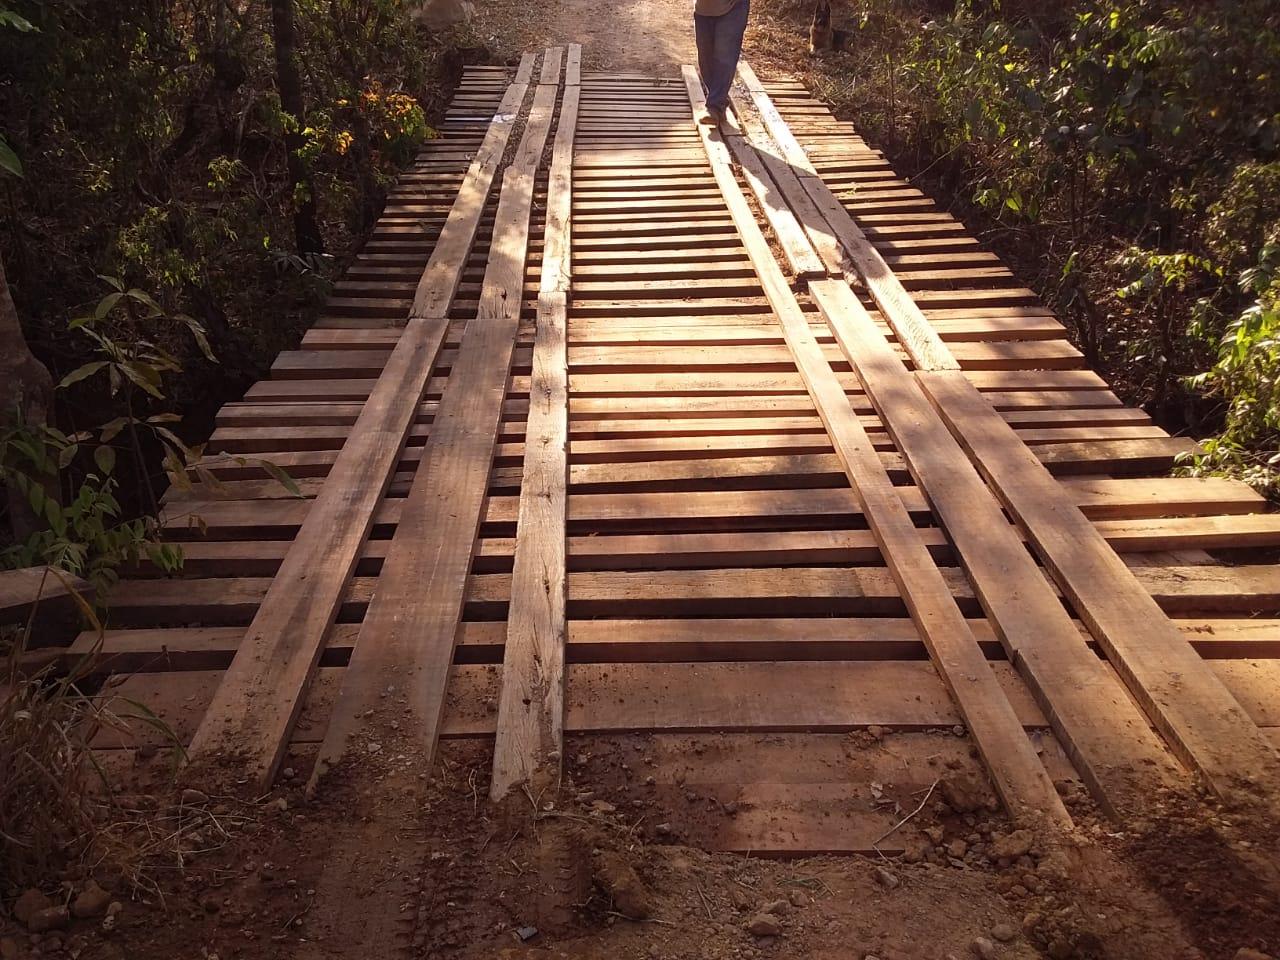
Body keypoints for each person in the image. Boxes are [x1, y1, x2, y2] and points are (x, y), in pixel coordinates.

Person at [694, 0, 749, 124]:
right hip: (703, 9)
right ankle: (719, 103)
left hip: (733, 8)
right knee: (705, 58)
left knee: (724, 56)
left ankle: (714, 106)